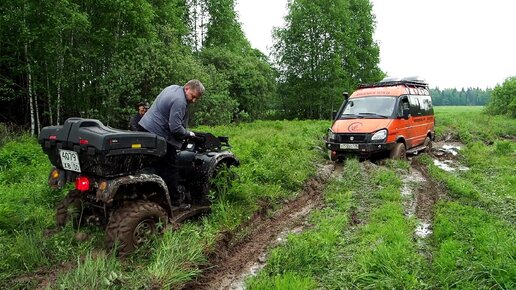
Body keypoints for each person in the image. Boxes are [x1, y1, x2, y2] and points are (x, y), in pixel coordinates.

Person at [139, 79, 205, 207]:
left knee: (154, 164)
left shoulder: (173, 87)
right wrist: (189, 134)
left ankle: (154, 196)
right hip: (158, 134)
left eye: (196, 98)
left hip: (146, 128)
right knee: (171, 167)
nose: (194, 100)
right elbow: (175, 128)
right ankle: (175, 202)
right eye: (193, 96)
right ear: (187, 88)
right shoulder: (180, 101)